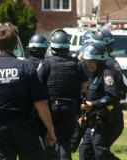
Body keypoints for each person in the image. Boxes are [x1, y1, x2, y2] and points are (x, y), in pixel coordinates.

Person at [0, 25, 56, 160]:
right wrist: (50, 129)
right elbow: (40, 103)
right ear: (16, 44)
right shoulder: (26, 67)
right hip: (25, 128)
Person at [37, 28, 89, 160]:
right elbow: (85, 84)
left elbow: (38, 82)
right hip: (70, 108)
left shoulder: (48, 62)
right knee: (64, 141)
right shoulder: (76, 63)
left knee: (49, 137)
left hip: (52, 108)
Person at [81, 29, 125, 146]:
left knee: (98, 151)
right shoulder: (109, 63)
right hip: (96, 114)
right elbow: (123, 85)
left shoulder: (87, 62)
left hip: (103, 113)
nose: (112, 47)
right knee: (89, 151)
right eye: (111, 44)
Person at [78, 42, 120, 160]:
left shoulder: (107, 74)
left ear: (99, 61)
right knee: (84, 152)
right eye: (87, 60)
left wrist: (93, 105)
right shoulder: (93, 75)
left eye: (92, 61)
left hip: (106, 120)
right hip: (92, 120)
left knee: (100, 151)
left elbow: (111, 97)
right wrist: (83, 115)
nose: (88, 63)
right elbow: (89, 97)